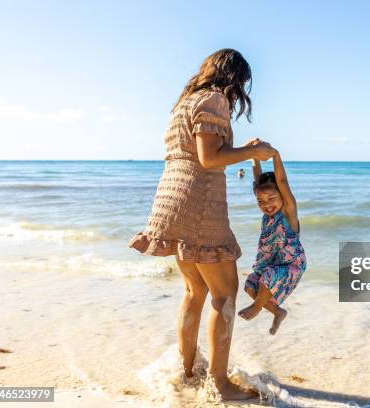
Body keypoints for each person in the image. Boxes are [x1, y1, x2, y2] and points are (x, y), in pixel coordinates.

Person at [128, 49, 275, 400]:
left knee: (195, 292)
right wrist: (253, 153)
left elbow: (199, 151)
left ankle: (188, 372)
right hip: (200, 202)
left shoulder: (184, 102)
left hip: (172, 198)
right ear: (234, 77)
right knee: (224, 294)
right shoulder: (215, 99)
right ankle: (219, 385)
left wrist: (241, 148)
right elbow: (209, 159)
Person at [238, 147, 306, 335]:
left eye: (271, 198)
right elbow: (257, 179)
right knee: (250, 285)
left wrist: (275, 155)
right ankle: (278, 312)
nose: (266, 204)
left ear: (282, 196)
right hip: (271, 264)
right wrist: (254, 154)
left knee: (267, 276)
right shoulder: (267, 212)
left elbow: (282, 181)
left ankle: (257, 308)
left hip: (290, 265)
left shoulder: (288, 212)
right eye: (260, 201)